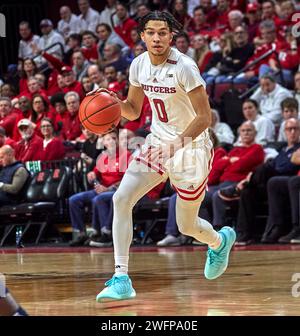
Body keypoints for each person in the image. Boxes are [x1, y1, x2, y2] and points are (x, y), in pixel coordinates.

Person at [91, 11, 236, 302]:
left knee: (187, 225)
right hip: (157, 142)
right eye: (151, 32)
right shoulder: (138, 65)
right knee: (121, 198)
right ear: (142, 36)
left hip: (191, 149)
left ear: (172, 36)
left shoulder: (185, 67)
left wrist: (176, 145)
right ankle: (122, 278)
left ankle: (220, 241)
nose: (157, 38)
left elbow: (205, 117)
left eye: (162, 32)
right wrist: (110, 104)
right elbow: (133, 109)